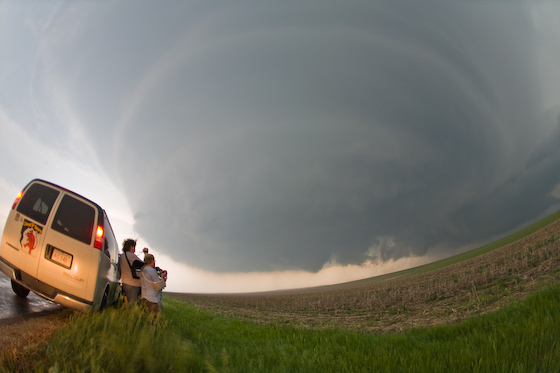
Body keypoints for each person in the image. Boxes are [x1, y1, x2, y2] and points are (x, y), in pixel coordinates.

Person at [119, 238, 144, 305]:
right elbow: (144, 265)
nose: (134, 249)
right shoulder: (131, 255)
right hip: (133, 284)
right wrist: (146, 254)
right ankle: (130, 315)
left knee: (127, 304)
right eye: (133, 246)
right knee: (132, 306)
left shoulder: (122, 256)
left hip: (124, 282)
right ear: (131, 247)